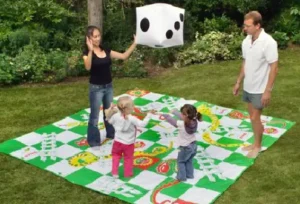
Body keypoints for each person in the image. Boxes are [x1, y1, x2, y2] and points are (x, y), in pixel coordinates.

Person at [233, 11, 279, 158]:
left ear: (258, 25)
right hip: (248, 86)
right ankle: (255, 142)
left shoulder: (269, 42)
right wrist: (238, 82)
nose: (244, 28)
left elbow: (274, 67)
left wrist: (268, 91)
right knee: (253, 117)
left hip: (260, 88)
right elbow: (245, 62)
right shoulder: (246, 41)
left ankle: (258, 146)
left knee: (254, 118)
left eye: (248, 26)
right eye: (244, 25)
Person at [82, 26, 137, 149]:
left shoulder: (105, 50)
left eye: (98, 36)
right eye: (94, 36)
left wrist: (134, 43)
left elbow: (123, 56)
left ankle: (111, 134)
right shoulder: (87, 53)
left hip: (108, 86)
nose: (97, 38)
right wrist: (90, 50)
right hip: (96, 88)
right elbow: (87, 67)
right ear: (89, 38)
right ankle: (94, 141)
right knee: (94, 116)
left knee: (110, 112)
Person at [105, 96, 154, 178]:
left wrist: (111, 112)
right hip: (128, 144)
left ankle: (114, 172)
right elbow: (143, 124)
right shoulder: (132, 118)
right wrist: (149, 115)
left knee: (116, 156)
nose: (133, 107)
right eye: (132, 106)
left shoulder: (116, 116)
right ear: (127, 109)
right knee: (128, 158)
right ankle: (127, 173)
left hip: (117, 142)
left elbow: (109, 121)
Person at [160, 104, 202, 181]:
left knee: (181, 161)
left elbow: (172, 121)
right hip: (193, 145)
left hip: (185, 147)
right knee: (189, 160)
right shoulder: (194, 120)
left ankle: (181, 177)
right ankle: (190, 174)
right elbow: (183, 117)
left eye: (182, 113)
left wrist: (165, 115)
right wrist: (175, 112)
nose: (181, 115)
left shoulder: (182, 124)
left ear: (185, 116)